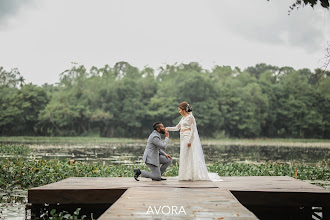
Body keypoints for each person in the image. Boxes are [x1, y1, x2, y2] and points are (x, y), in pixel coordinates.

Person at [166, 101, 210, 181]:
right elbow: (177, 128)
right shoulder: (183, 118)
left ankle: (191, 175)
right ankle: (185, 175)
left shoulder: (190, 117)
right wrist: (167, 128)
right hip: (182, 138)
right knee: (184, 155)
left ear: (183, 109)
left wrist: (190, 140)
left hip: (187, 138)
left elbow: (193, 129)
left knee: (189, 155)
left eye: (180, 110)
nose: (179, 112)